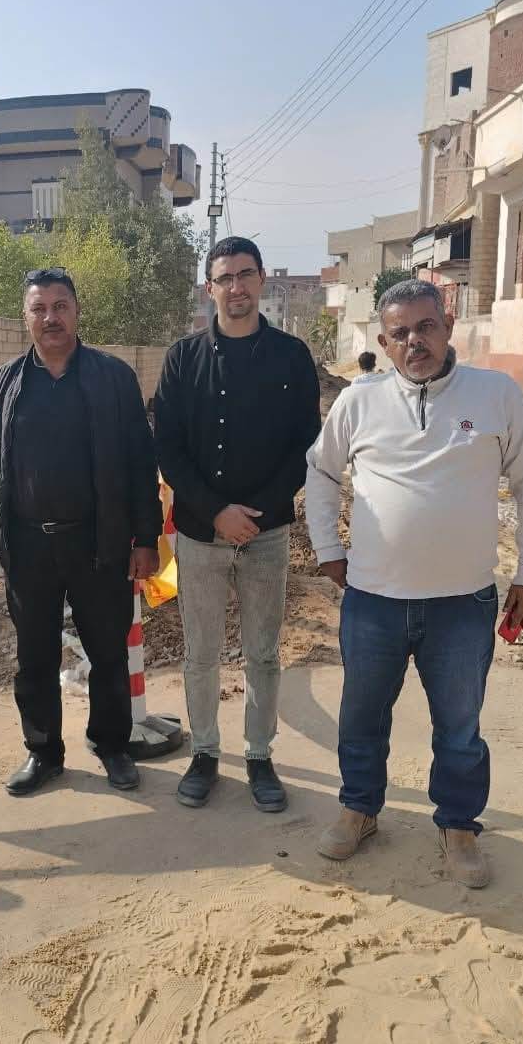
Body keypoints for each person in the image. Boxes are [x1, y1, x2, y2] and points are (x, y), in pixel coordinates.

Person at [305, 279, 523, 887]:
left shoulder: (495, 394)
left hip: (462, 603)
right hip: (374, 602)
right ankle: (359, 809)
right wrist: (328, 549)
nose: (414, 341)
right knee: (362, 717)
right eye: (400, 333)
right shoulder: (359, 400)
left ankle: (459, 826)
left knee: (460, 726)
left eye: (424, 327)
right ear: (384, 341)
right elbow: (321, 472)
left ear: (447, 326)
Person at [0, 267, 161, 797]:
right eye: (39, 308)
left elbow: (141, 463)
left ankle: (112, 745)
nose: (50, 317)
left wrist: (146, 539)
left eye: (60, 306)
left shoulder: (113, 378)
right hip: (27, 545)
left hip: (99, 543)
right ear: (25, 316)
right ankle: (43, 752)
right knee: (34, 657)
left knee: (108, 652)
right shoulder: (5, 384)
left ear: (76, 311)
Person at [154, 237, 322, 811]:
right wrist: (216, 512)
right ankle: (204, 752)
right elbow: (168, 447)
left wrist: (257, 514)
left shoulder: (291, 357)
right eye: (224, 278)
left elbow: (306, 444)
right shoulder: (182, 359)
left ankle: (258, 755)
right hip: (199, 534)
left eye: (245, 274)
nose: (236, 287)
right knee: (200, 653)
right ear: (210, 288)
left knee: (263, 653)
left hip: (266, 535)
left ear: (262, 279)